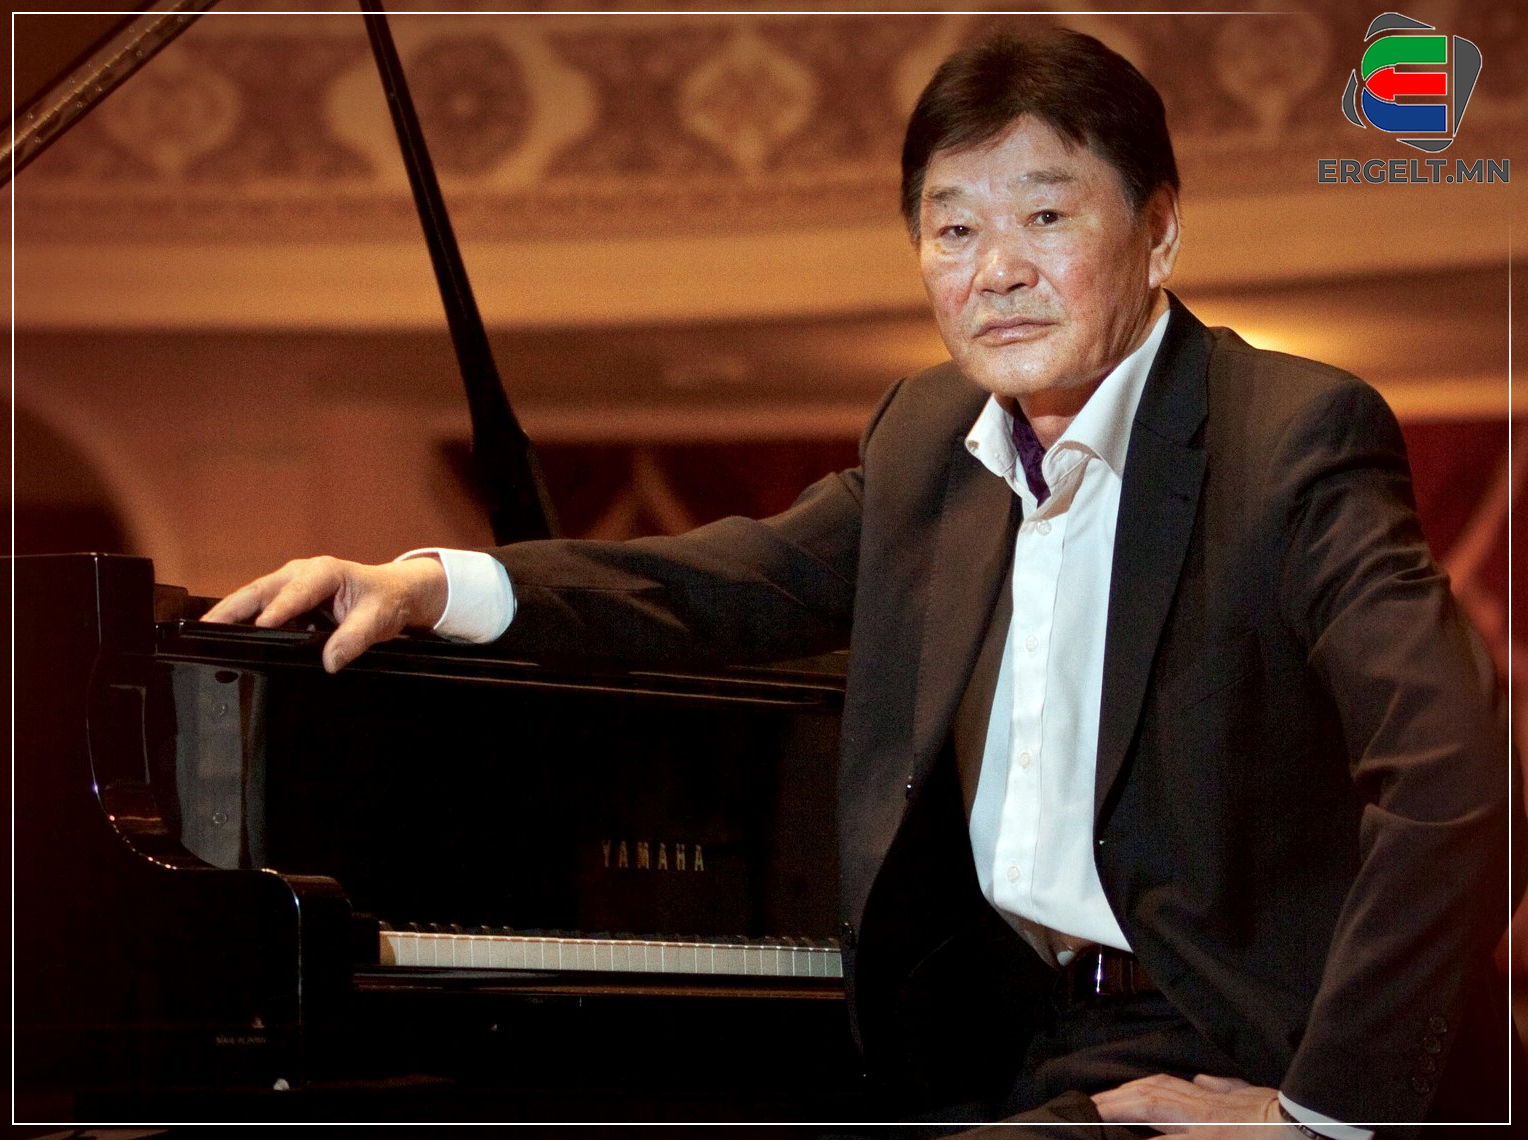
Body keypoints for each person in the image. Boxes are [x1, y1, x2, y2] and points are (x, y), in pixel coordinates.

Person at [206, 29, 1514, 1136]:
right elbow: (722, 583)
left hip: (1235, 1041)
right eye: (954, 229)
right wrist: (430, 585)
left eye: (1046, 216)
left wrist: (1320, 1115)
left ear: (1160, 230)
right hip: (998, 1034)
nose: (996, 271)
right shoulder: (929, 441)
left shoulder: (1291, 435)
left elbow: (1464, 777)